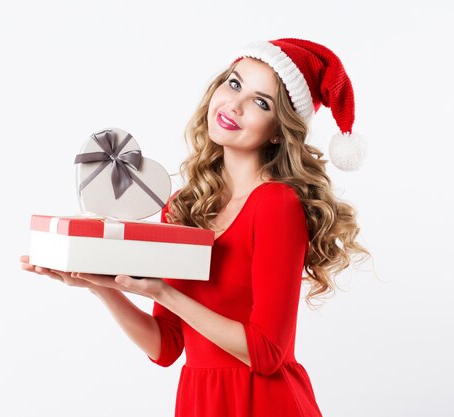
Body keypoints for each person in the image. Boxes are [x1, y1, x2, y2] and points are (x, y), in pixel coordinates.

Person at [20, 38, 371, 417]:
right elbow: (166, 347)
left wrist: (164, 294)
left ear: (277, 131)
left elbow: (267, 353)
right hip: (199, 401)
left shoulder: (276, 205)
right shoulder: (184, 206)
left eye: (260, 101)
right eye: (234, 84)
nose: (234, 105)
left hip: (263, 403)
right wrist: (101, 287)